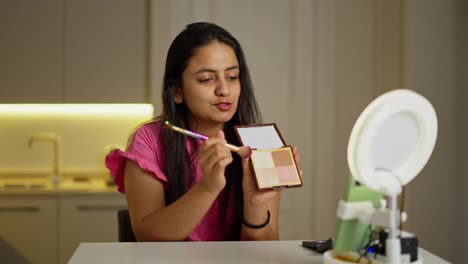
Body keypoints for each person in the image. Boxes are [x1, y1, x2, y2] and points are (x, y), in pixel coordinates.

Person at [105, 22, 301, 241]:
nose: (224, 90)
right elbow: (147, 237)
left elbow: (265, 251)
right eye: (207, 79)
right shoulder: (149, 140)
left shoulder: (260, 141)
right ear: (177, 91)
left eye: (233, 77)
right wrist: (207, 188)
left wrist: (255, 206)